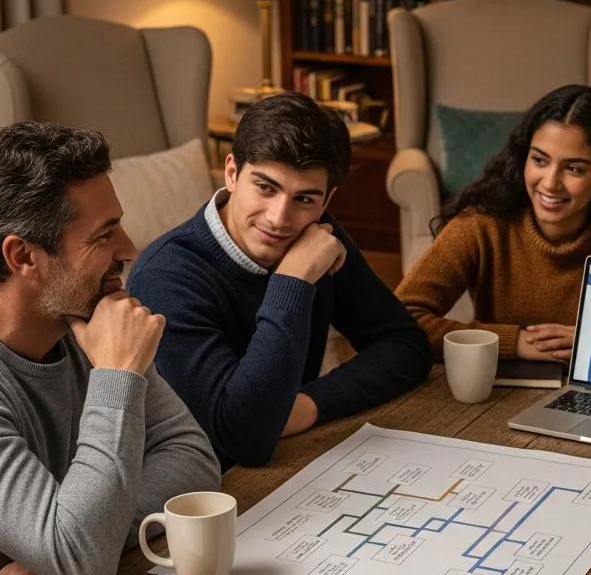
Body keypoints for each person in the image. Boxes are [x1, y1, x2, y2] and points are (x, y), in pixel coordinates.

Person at [0, 122, 220, 575]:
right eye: (103, 234)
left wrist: (66, 541)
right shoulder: (106, 347)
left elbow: (196, 461)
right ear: (23, 255)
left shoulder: (88, 320)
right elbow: (84, 560)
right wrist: (117, 375)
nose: (129, 248)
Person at [129, 93, 431, 468]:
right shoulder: (166, 278)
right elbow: (243, 439)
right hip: (202, 493)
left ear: (326, 200)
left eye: (304, 199)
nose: (279, 218)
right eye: (265, 187)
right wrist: (293, 280)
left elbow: (405, 345)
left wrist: (310, 404)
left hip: (292, 462)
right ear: (232, 173)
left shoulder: (316, 235)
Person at [395, 85, 591, 361]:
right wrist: (513, 342)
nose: (550, 183)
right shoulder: (481, 226)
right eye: (539, 160)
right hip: (496, 393)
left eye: (574, 168)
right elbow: (400, 320)